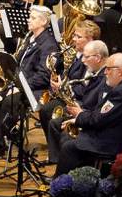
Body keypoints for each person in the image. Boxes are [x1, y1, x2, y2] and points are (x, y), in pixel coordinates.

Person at [40, 53, 122, 197]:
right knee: (71, 140)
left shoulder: (121, 92)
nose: (105, 72)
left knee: (69, 148)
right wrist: (81, 119)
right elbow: (104, 116)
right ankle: (75, 191)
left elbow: (98, 119)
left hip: (114, 143)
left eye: (108, 69)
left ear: (120, 72)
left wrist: (79, 117)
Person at [0, 6, 59, 157]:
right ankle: (12, 133)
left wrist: (22, 86)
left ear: (44, 21)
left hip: (35, 89)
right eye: (29, 17)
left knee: (9, 101)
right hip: (19, 83)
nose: (28, 20)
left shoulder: (48, 44)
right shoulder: (29, 37)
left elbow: (43, 76)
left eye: (33, 18)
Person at [41, 37, 108, 166]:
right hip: (83, 110)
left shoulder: (105, 77)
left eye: (86, 57)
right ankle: (57, 163)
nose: (83, 60)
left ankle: (66, 171)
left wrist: (80, 112)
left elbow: (98, 106)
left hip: (90, 116)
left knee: (66, 137)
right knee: (55, 124)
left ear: (98, 58)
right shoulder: (95, 72)